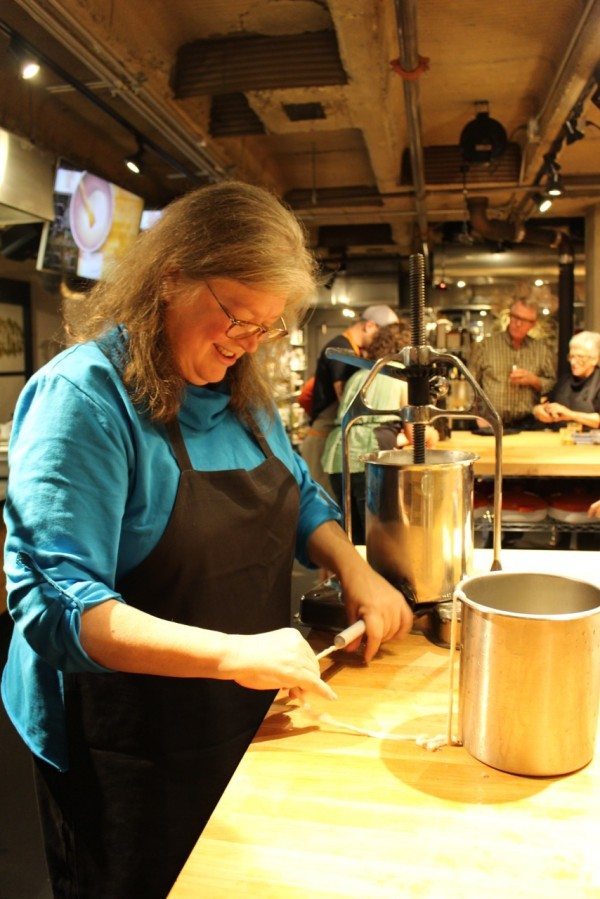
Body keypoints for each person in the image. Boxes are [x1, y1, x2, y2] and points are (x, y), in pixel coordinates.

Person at [1, 182, 413, 899]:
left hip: (234, 713)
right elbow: (55, 603)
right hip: (121, 743)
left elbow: (302, 498)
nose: (245, 342)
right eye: (234, 315)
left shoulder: (243, 393)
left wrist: (355, 567)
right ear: (171, 276)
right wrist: (234, 651)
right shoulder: (86, 400)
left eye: (266, 327)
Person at [321, 322, 439, 544]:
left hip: (337, 458)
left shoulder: (359, 375)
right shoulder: (399, 378)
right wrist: (433, 434)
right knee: (377, 537)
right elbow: (416, 435)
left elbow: (366, 424)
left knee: (351, 537)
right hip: (367, 460)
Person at [301, 304, 399, 493]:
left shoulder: (353, 350)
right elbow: (346, 398)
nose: (383, 341)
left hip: (331, 438)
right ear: (369, 326)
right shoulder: (340, 349)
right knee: (326, 510)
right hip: (324, 440)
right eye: (382, 334)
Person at [468, 295, 556, 428]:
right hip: (491, 422)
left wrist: (534, 381)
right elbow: (471, 384)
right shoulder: (485, 346)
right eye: (516, 317)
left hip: (529, 423)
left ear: (533, 324)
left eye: (525, 320)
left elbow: (553, 384)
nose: (518, 324)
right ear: (509, 316)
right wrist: (477, 414)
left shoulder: (541, 350)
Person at [533, 330, 600, 429]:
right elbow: (546, 403)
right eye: (571, 356)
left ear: (594, 359)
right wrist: (538, 411)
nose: (573, 362)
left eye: (580, 357)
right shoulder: (565, 381)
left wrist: (570, 414)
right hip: (560, 439)